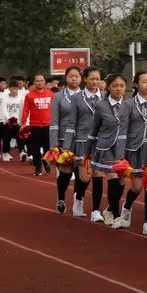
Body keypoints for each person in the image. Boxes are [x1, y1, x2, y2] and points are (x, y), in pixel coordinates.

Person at [116, 71, 147, 234]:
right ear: (136, 84)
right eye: (144, 82)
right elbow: (122, 129)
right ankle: (127, 206)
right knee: (136, 186)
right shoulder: (128, 104)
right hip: (134, 149)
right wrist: (121, 153)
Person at [88, 74, 130, 226]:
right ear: (108, 87)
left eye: (122, 86)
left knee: (121, 181)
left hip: (123, 148)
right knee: (112, 177)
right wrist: (88, 151)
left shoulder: (129, 105)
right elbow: (94, 129)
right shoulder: (101, 105)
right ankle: (117, 217)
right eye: (115, 86)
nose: (118, 89)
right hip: (106, 147)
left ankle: (110, 209)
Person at [50, 66, 83, 214]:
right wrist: (53, 144)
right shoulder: (59, 97)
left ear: (81, 78)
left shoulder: (86, 96)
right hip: (64, 139)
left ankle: (78, 201)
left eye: (77, 76)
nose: (74, 79)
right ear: (66, 78)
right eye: (71, 76)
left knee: (81, 173)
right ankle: (61, 196)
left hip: (82, 140)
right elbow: (54, 120)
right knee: (66, 172)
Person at [74, 68, 103, 222]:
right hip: (83, 142)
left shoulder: (105, 97)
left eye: (97, 79)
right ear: (85, 79)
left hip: (101, 142)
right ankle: (78, 198)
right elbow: (72, 123)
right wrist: (68, 146)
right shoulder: (77, 98)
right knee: (85, 178)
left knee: (98, 175)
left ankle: (96, 211)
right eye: (92, 79)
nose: (95, 82)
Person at [21, 73, 55, 176]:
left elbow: (55, 109)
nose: (39, 83)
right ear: (34, 82)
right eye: (37, 81)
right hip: (35, 125)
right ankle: (38, 167)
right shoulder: (29, 95)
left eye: (41, 81)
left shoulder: (51, 94)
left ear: (44, 82)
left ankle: (46, 162)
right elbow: (25, 110)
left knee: (47, 147)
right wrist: (23, 123)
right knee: (35, 148)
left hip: (48, 125)